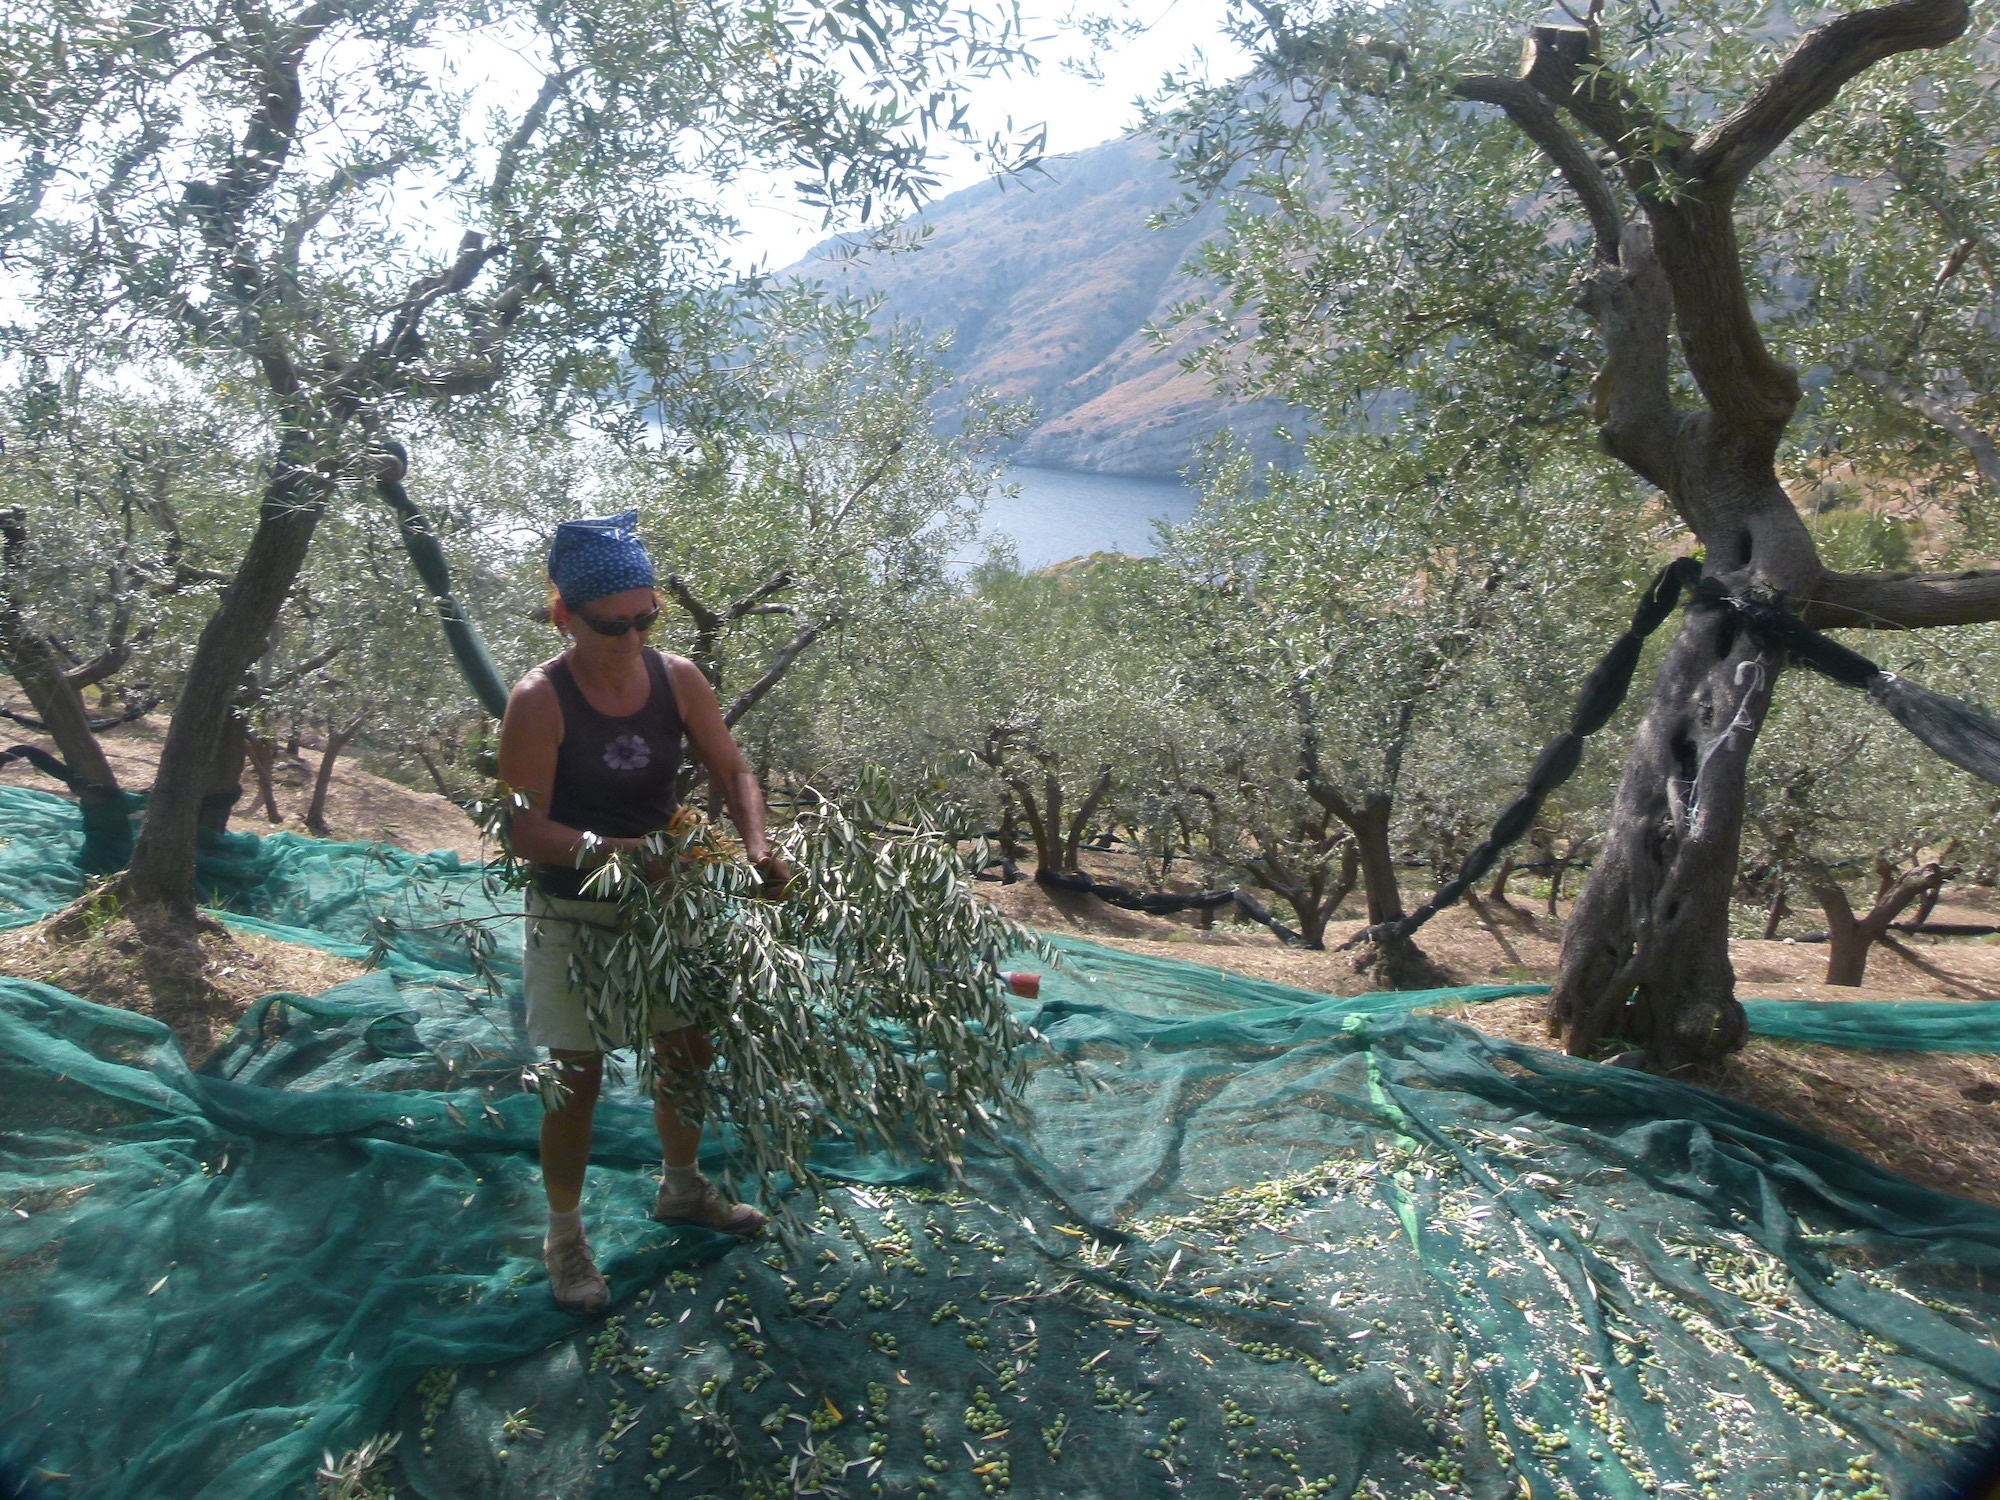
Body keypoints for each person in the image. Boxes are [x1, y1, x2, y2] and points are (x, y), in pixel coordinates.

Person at [496, 510, 791, 1315]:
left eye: (644, 619)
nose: (630, 638)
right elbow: (526, 830)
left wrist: (757, 845)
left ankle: (683, 1190)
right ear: (564, 614)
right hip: (575, 914)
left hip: (666, 905)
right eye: (609, 625)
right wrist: (627, 857)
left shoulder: (678, 678)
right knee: (575, 1079)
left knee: (686, 1050)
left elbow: (734, 772)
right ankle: (564, 1240)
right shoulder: (539, 701)